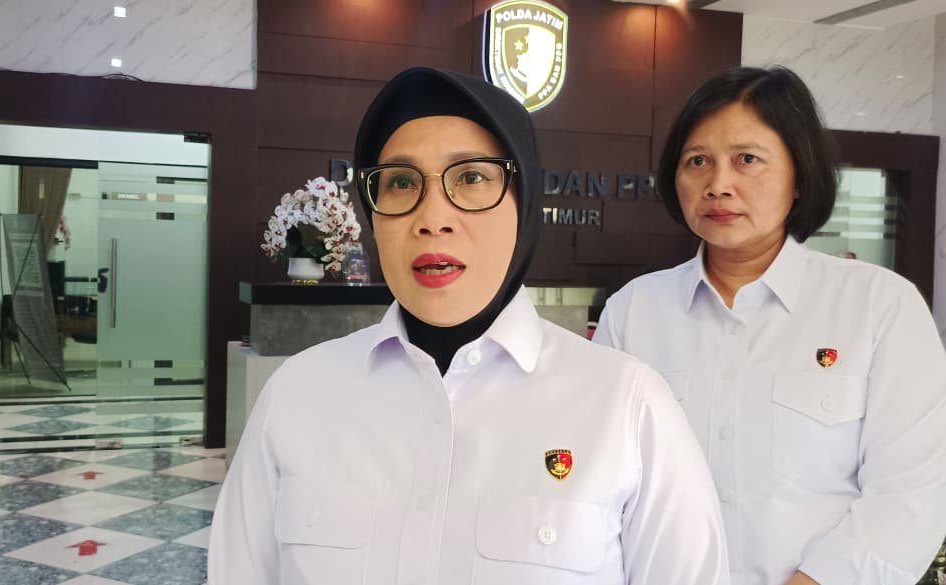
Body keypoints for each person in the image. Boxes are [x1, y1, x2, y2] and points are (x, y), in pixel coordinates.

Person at [209, 66, 729, 585]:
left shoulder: (627, 407)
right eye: (400, 182)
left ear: (525, 204)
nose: (433, 218)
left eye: (472, 178)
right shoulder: (297, 397)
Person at [594, 65, 946, 585]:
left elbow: (913, 497)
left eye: (747, 159)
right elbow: (600, 487)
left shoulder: (881, 307)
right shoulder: (633, 312)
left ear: (799, 176)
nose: (718, 184)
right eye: (697, 161)